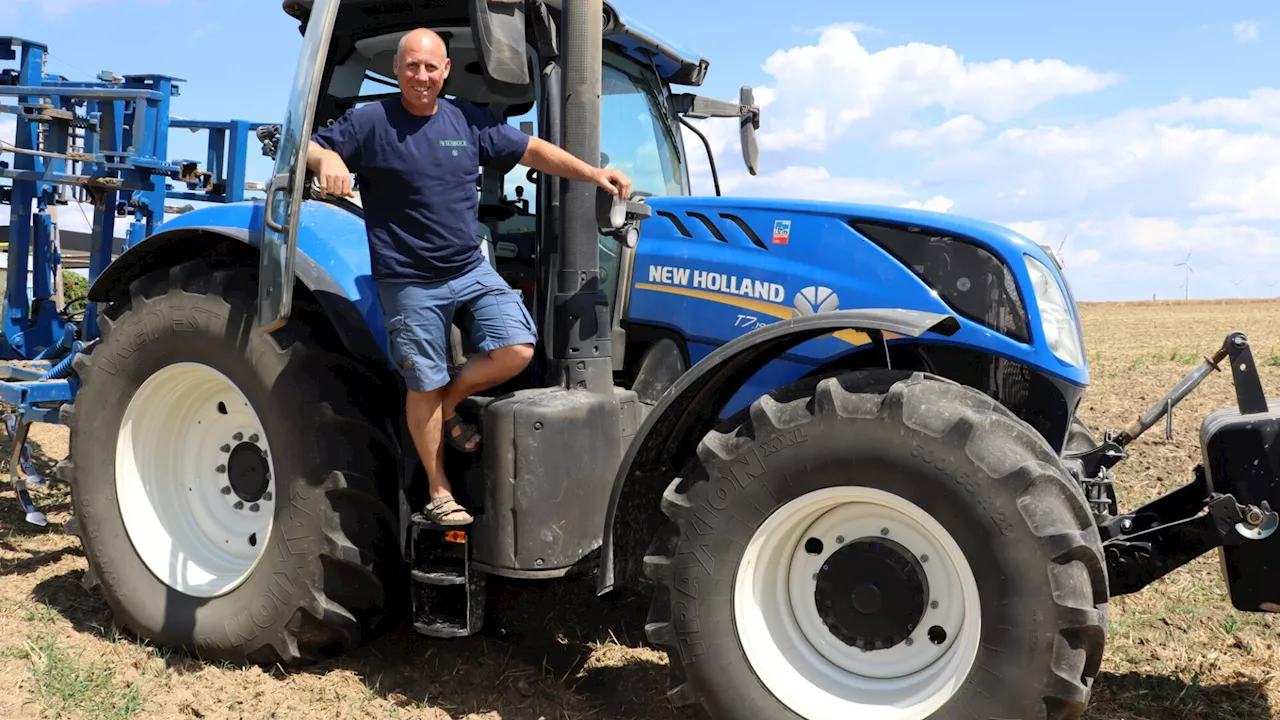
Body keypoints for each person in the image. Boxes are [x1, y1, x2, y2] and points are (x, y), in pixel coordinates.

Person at [306, 28, 632, 526]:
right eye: (412, 66)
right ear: (397, 69)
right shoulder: (371, 121)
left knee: (518, 348)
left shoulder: (465, 119)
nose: (421, 76)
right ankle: (439, 491)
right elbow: (308, 146)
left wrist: (592, 174)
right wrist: (326, 156)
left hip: (467, 268)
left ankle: (450, 405)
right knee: (424, 384)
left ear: (445, 72)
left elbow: (533, 151)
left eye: (431, 67)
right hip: (409, 280)